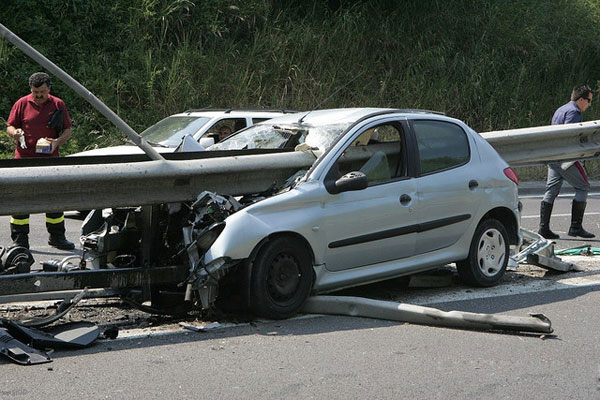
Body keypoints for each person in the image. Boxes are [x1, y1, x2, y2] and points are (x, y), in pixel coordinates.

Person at [5, 72, 75, 250]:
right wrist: (15, 133)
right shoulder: (22, 103)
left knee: (53, 198)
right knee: (21, 199)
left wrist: (56, 142)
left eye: (42, 92)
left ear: (49, 89)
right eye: (35, 92)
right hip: (24, 160)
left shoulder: (58, 104)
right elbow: (10, 126)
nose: (38, 95)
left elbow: (67, 131)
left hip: (50, 160)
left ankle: (57, 236)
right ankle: (20, 239)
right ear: (31, 89)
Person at [538, 84, 595, 239]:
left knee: (551, 190)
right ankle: (575, 227)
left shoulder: (561, 109)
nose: (590, 104)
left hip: (553, 156)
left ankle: (543, 229)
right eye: (589, 101)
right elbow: (569, 134)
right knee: (583, 186)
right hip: (565, 158)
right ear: (581, 99)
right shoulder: (574, 112)